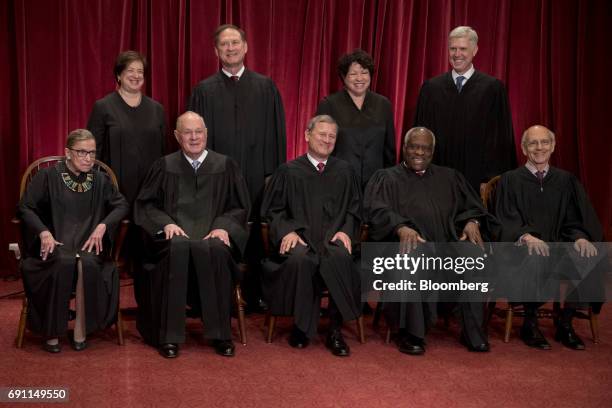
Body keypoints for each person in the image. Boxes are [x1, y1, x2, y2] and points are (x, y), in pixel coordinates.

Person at [364, 127, 493, 354]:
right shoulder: (386, 178)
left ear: (432, 152)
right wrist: (400, 226)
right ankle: (410, 333)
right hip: (406, 247)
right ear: (404, 148)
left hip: (447, 245)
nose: (419, 153)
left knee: (472, 256)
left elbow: (472, 206)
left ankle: (473, 332)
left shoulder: (450, 177)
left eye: (425, 148)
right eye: (414, 146)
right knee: (411, 258)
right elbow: (376, 210)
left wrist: (472, 221)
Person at [133, 111, 250, 359]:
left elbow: (239, 206)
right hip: (176, 238)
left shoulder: (225, 165)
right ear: (177, 136)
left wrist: (223, 226)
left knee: (218, 249)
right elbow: (146, 205)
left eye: (198, 131)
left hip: (213, 236)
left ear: (206, 134)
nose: (194, 137)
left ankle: (221, 335)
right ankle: (168, 336)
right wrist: (165, 223)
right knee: (176, 248)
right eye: (187, 132)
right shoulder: (164, 166)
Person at [188, 24, 286, 311]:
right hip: (215, 178)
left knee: (255, 234)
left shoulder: (265, 87)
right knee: (215, 230)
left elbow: (277, 133)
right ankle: (214, 294)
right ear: (216, 51)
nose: (230, 48)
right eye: (224, 44)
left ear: (245, 47)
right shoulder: (203, 90)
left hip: (257, 174)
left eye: (235, 43)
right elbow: (194, 139)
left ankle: (255, 294)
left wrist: (273, 174)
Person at [17, 129, 129, 353]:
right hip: (56, 242)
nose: (88, 158)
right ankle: (52, 332)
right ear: (67, 152)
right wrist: (43, 232)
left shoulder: (100, 179)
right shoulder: (47, 176)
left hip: (89, 243)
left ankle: (81, 329)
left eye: (92, 153)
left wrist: (103, 225)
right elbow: (25, 208)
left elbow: (121, 205)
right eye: (82, 152)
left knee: (85, 262)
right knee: (62, 262)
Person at [494, 125, 604, 350]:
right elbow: (504, 219)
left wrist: (580, 237)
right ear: (524, 148)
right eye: (533, 143)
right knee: (536, 255)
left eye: (544, 142)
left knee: (587, 254)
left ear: (552, 146)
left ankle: (566, 322)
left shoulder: (566, 181)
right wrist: (526, 237)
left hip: (559, 245)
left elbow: (575, 219)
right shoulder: (510, 180)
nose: (539, 147)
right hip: (523, 249)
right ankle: (530, 323)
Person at [261, 115, 362, 357]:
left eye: (331, 137)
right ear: (307, 136)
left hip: (332, 239)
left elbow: (355, 209)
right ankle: (301, 327)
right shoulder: (288, 171)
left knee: (340, 258)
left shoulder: (345, 171)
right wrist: (288, 230)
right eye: (321, 134)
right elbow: (272, 210)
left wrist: (345, 231)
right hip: (302, 239)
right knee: (300, 260)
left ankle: (335, 331)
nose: (326, 140)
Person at [414, 26, 516, 194]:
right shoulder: (431, 89)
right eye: (453, 48)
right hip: (437, 179)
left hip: (477, 181)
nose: (457, 54)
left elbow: (500, 140)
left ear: (475, 50)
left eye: (463, 49)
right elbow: (420, 136)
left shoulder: (492, 89)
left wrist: (490, 178)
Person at [87, 50, 166, 207]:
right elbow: (92, 151)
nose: (136, 75)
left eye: (140, 71)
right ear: (118, 75)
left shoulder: (157, 109)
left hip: (150, 189)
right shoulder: (103, 107)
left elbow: (164, 152)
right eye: (130, 70)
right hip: (114, 189)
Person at [316, 49, 396, 190]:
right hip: (338, 183)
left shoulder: (383, 104)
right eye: (353, 74)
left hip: (375, 186)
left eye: (364, 72)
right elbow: (320, 147)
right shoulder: (329, 104)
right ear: (343, 76)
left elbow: (389, 150)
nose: (360, 78)